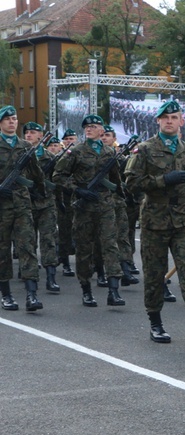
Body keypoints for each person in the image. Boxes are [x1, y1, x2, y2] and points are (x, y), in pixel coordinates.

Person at [124, 100, 185, 343]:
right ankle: (156, 323)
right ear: (158, 121)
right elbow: (131, 183)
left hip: (183, 221)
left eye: (174, 117)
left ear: (181, 122)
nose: (169, 121)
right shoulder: (144, 149)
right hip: (155, 221)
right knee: (155, 274)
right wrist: (164, 179)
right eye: (165, 117)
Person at [53, 114, 126, 308]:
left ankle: (113, 290)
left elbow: (116, 179)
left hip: (106, 205)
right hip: (84, 207)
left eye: (93, 126)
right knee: (84, 249)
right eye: (86, 127)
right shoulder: (76, 152)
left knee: (110, 245)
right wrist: (78, 189)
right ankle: (86, 289)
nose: (89, 129)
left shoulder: (110, 152)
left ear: (102, 130)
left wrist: (121, 196)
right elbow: (58, 176)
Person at [0, 106, 46, 312]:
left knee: (28, 246)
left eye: (14, 119)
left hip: (22, 204)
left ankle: (31, 294)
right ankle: (6, 295)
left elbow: (36, 175)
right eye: (8, 119)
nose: (12, 122)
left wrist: (40, 192)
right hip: (1, 207)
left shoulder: (25, 146)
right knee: (2, 250)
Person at [23, 122, 60, 293]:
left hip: (46, 204)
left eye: (33, 132)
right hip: (25, 203)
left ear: (41, 136)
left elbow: (58, 179)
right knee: (27, 242)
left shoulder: (50, 157)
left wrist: (46, 187)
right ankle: (28, 276)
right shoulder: (19, 155)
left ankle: (51, 278)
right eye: (27, 133)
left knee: (48, 240)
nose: (29, 135)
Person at [102, 125, 139, 286]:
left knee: (123, 236)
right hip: (99, 204)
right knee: (102, 239)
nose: (104, 138)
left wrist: (127, 192)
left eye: (108, 135)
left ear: (114, 139)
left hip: (118, 202)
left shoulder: (122, 159)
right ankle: (100, 269)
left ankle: (125, 268)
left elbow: (128, 179)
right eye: (102, 135)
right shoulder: (90, 156)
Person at [57, 128, 78, 277]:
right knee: (65, 232)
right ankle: (65, 262)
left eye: (72, 139)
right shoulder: (59, 157)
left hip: (80, 199)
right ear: (63, 142)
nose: (70, 141)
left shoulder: (81, 155)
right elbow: (57, 177)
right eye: (68, 139)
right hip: (64, 198)